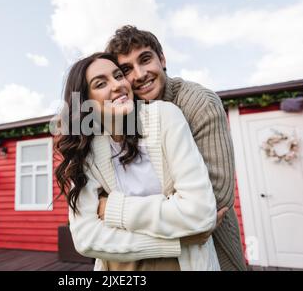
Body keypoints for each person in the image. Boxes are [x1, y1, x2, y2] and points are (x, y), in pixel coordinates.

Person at [55, 52, 220, 270]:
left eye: (118, 76)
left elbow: (199, 213)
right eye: (101, 83)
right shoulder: (86, 149)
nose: (117, 85)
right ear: (86, 102)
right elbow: (86, 238)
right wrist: (176, 241)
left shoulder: (164, 116)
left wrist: (113, 209)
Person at [103, 25, 247, 271]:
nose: (139, 75)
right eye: (126, 69)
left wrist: (114, 209)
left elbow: (213, 201)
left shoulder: (199, 102)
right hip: (143, 262)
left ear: (162, 58)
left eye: (145, 59)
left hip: (212, 251)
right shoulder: (121, 118)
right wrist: (174, 213)